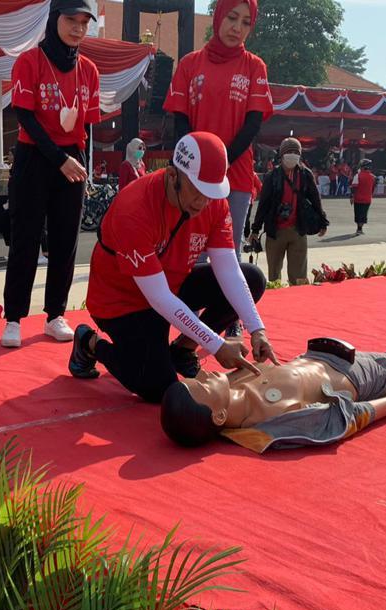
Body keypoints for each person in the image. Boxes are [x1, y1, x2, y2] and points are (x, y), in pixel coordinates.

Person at [68, 132, 277, 403]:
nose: (203, 202)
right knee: (159, 387)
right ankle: (89, 343)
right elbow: (158, 298)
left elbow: (228, 269)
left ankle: (183, 350)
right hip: (122, 302)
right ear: (172, 175)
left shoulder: (212, 202)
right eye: (197, 191)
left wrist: (257, 329)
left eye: (211, 193)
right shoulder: (134, 209)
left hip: (172, 284)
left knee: (252, 278)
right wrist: (215, 344)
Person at [160, 311, 386, 453]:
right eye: (202, 386)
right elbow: (341, 419)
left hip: (326, 357)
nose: (204, 374)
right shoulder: (269, 424)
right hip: (356, 379)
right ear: (218, 417)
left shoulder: (232, 385)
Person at [0, 0, 100, 348]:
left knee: (65, 241)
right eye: (71, 20)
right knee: (25, 239)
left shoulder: (88, 69)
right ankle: (13, 318)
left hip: (71, 161)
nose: (78, 28)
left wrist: (82, 168)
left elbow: (87, 126)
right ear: (56, 18)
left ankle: (55, 314)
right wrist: (58, 158)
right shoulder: (29, 61)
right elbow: (25, 117)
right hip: (34, 157)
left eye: (85, 22)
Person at [165, 0, 273, 264]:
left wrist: (221, 162)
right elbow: (180, 121)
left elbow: (253, 124)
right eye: (232, 18)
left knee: (228, 254)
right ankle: (188, 307)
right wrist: (197, 166)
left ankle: (226, 307)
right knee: (193, 254)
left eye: (246, 22)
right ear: (218, 16)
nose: (237, 28)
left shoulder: (254, 66)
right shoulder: (190, 64)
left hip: (235, 175)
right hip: (193, 174)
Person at [248, 137, 327, 285]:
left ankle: (298, 304)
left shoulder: (305, 174)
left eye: (296, 152)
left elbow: (316, 199)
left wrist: (323, 221)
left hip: (298, 230)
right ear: (282, 154)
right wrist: (255, 230)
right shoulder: (272, 176)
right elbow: (263, 204)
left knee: (299, 278)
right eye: (289, 151)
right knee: (274, 277)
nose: (293, 155)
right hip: (275, 232)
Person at [349, 159, 375, 235]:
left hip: (358, 199)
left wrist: (351, 196)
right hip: (367, 199)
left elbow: (354, 187)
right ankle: (360, 228)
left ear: (363, 167)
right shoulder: (372, 177)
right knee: (364, 214)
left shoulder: (358, 176)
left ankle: (359, 228)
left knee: (358, 214)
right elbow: (373, 188)